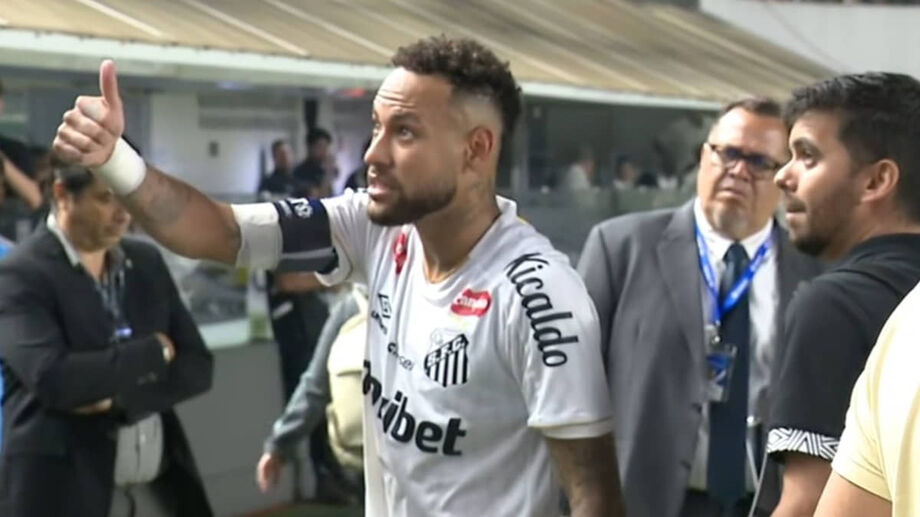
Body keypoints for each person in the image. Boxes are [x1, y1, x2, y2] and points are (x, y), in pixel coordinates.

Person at [52, 36, 624, 516]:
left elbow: (593, 495)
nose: (373, 154)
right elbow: (221, 231)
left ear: (476, 150)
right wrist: (116, 160)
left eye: (405, 132)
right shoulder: (373, 228)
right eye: (377, 127)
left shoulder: (541, 296)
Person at [577, 98, 821, 517]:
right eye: (728, 153)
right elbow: (575, 389)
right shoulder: (621, 248)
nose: (738, 171)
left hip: (769, 503)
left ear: (785, 178)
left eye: (759, 162)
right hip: (647, 501)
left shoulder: (816, 271)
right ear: (704, 155)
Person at [0, 164, 213, 516]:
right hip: (64, 495)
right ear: (63, 195)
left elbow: (198, 366)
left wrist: (119, 401)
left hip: (156, 489)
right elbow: (56, 379)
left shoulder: (145, 262)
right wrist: (155, 351)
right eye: (106, 199)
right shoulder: (20, 274)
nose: (123, 214)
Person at [763, 73, 920, 517]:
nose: (783, 176)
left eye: (807, 156)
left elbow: (806, 503)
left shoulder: (834, 306)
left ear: (876, 181)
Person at [257, 284, 368, 502]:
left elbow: (315, 386)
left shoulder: (353, 306)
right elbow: (315, 386)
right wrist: (278, 444)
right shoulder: (354, 306)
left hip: (373, 450)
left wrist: (278, 444)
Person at [292, 128, 334, 197]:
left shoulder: (324, 171)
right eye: (320, 147)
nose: (324, 151)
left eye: (326, 147)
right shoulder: (299, 173)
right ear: (310, 147)